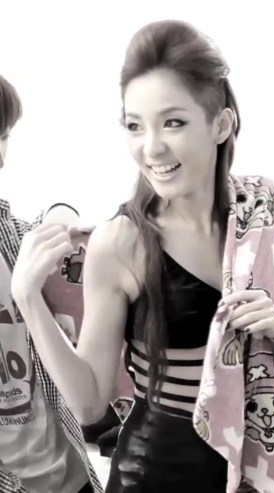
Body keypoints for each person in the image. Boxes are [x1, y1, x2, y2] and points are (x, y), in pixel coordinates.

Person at [10, 20, 274, 492]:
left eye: (173, 122)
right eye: (134, 126)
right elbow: (89, 403)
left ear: (221, 124)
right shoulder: (121, 242)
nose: (151, 147)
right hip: (155, 472)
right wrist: (28, 297)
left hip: (256, 469)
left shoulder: (268, 209)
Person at [0, 74, 101, 492]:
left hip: (73, 478)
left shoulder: (10, 237)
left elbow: (60, 214)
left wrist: (61, 219)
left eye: (3, 137)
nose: (1, 157)